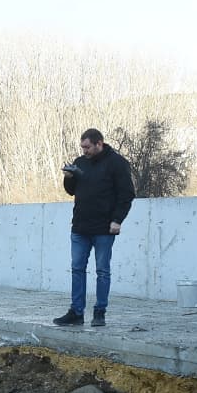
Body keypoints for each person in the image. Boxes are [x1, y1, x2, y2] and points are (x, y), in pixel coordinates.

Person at [54, 128, 135, 329]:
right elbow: (72, 190)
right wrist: (68, 177)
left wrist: (117, 220)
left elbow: (127, 195)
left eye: (88, 147)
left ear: (99, 143)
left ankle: (100, 313)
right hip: (80, 227)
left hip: (104, 229)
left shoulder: (117, 163)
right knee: (77, 269)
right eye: (82, 147)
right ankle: (76, 312)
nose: (84, 151)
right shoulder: (80, 163)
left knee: (102, 271)